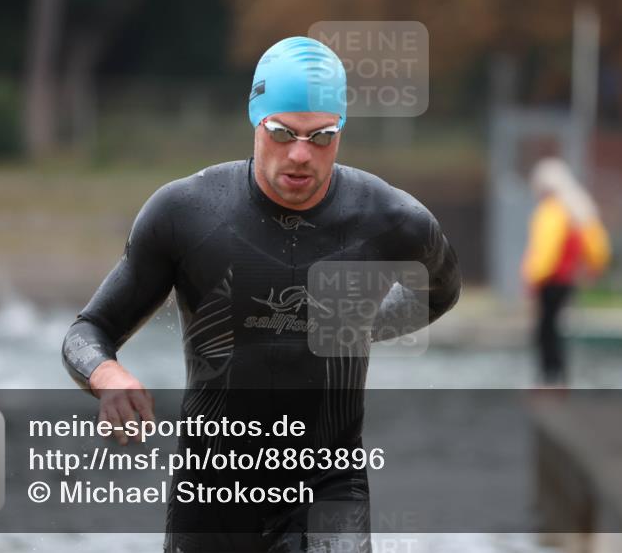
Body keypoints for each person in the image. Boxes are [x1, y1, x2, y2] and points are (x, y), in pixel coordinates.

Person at [61, 36, 463, 552]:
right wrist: (107, 374)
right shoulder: (185, 213)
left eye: (321, 138)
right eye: (282, 132)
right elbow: (89, 330)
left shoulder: (392, 221)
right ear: (256, 120)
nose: (300, 155)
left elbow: (441, 293)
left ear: (341, 132)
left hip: (329, 486)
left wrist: (365, 323)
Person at [521, 157, 610, 386]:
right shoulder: (577, 210)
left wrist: (533, 277)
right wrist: (593, 268)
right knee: (555, 329)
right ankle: (559, 378)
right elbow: (597, 247)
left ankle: (549, 379)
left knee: (545, 331)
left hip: (550, 282)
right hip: (566, 281)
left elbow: (546, 250)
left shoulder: (551, 212)